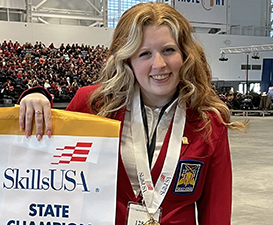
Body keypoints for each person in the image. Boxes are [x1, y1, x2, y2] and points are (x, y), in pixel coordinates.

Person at [18, 3, 247, 225]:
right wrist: (35, 98)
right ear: (127, 59)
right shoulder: (94, 105)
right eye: (144, 53)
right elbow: (43, 166)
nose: (159, 64)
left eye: (169, 50)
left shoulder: (209, 121)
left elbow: (216, 211)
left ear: (185, 54)